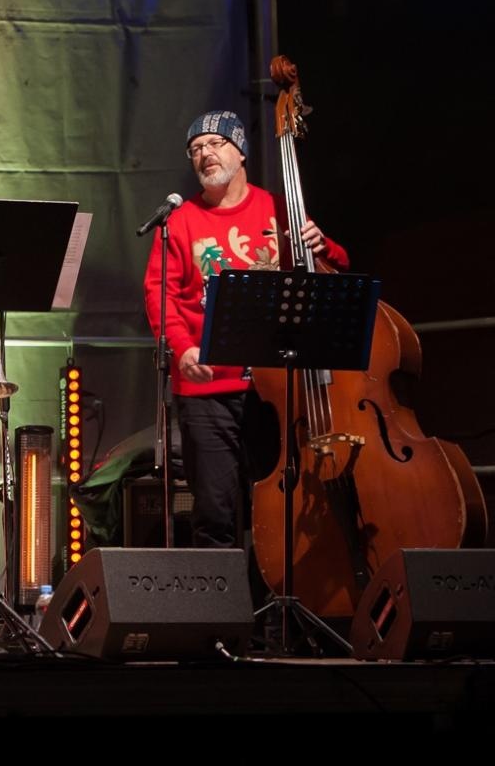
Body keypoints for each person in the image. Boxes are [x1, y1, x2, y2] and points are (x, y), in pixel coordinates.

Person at [142, 110, 349, 552]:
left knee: (283, 509)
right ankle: (220, 601)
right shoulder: (180, 221)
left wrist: (325, 247)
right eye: (195, 149)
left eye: (215, 143)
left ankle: (278, 599)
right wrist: (183, 349)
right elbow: (160, 296)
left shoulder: (279, 209)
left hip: (276, 388)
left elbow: (335, 271)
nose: (204, 153)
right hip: (207, 389)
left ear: (241, 152)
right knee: (215, 513)